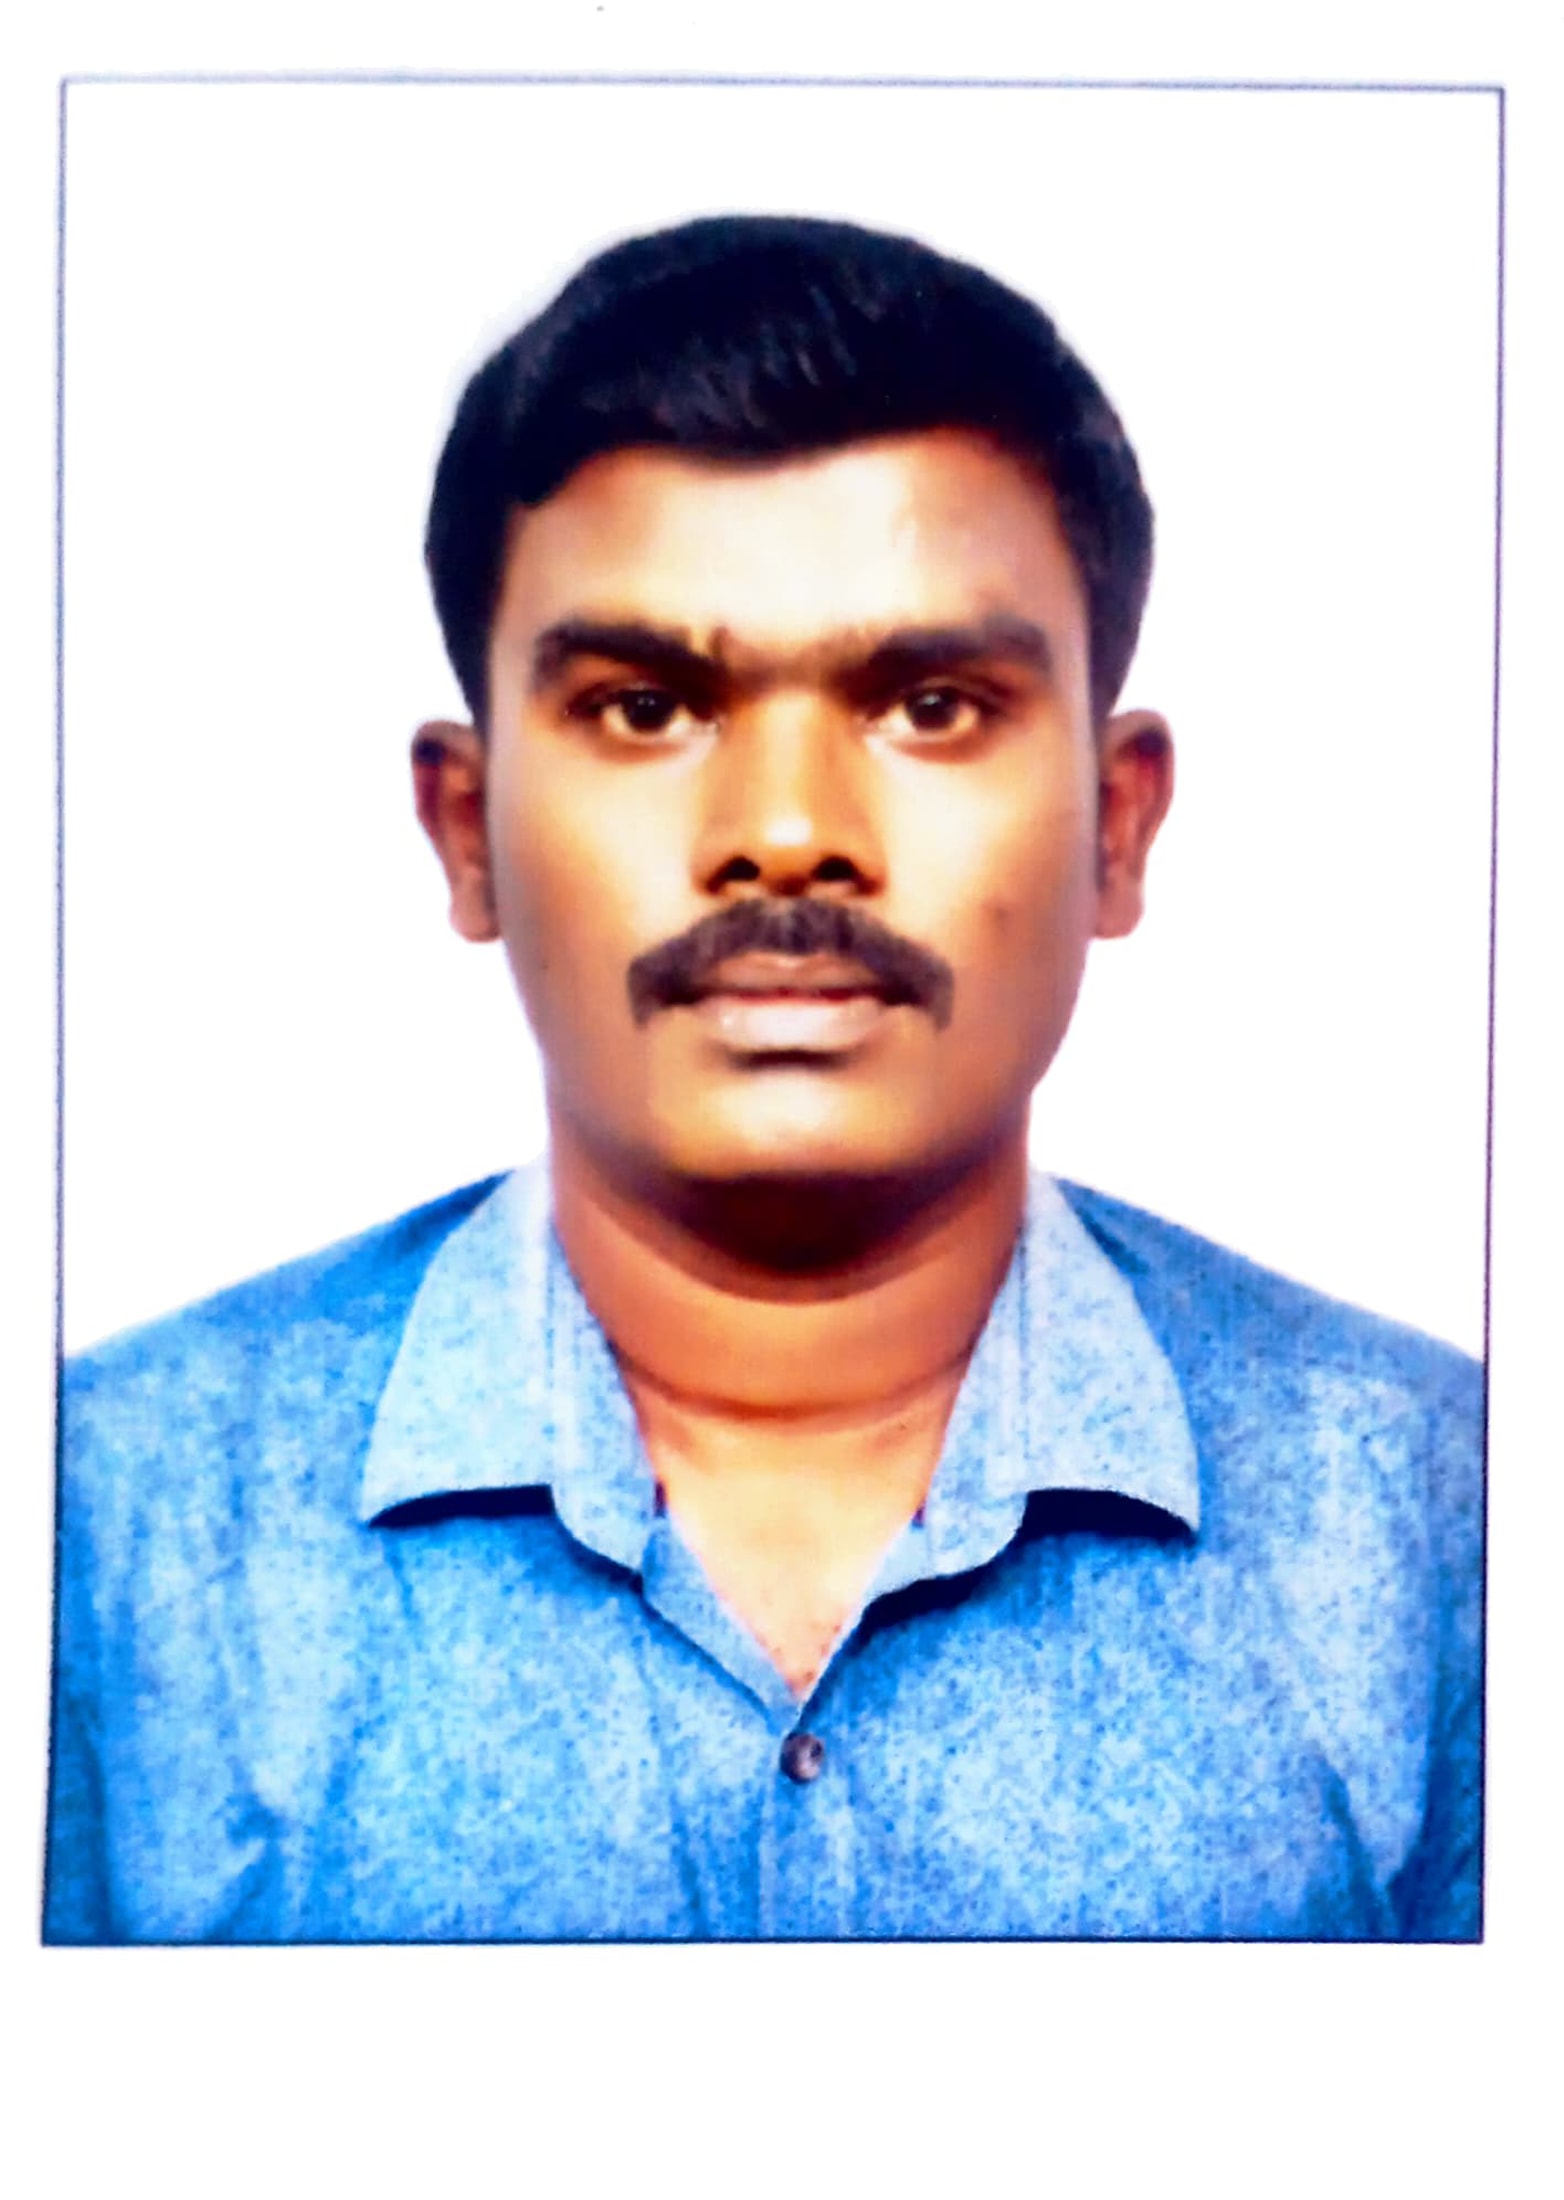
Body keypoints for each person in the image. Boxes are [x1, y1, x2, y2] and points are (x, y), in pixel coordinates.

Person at [45, 214, 1482, 1943]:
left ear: (1116, 827)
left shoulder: (1451, 1525)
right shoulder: (96, 1524)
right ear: (466, 829)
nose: (788, 835)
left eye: (930, 704)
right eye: (647, 707)